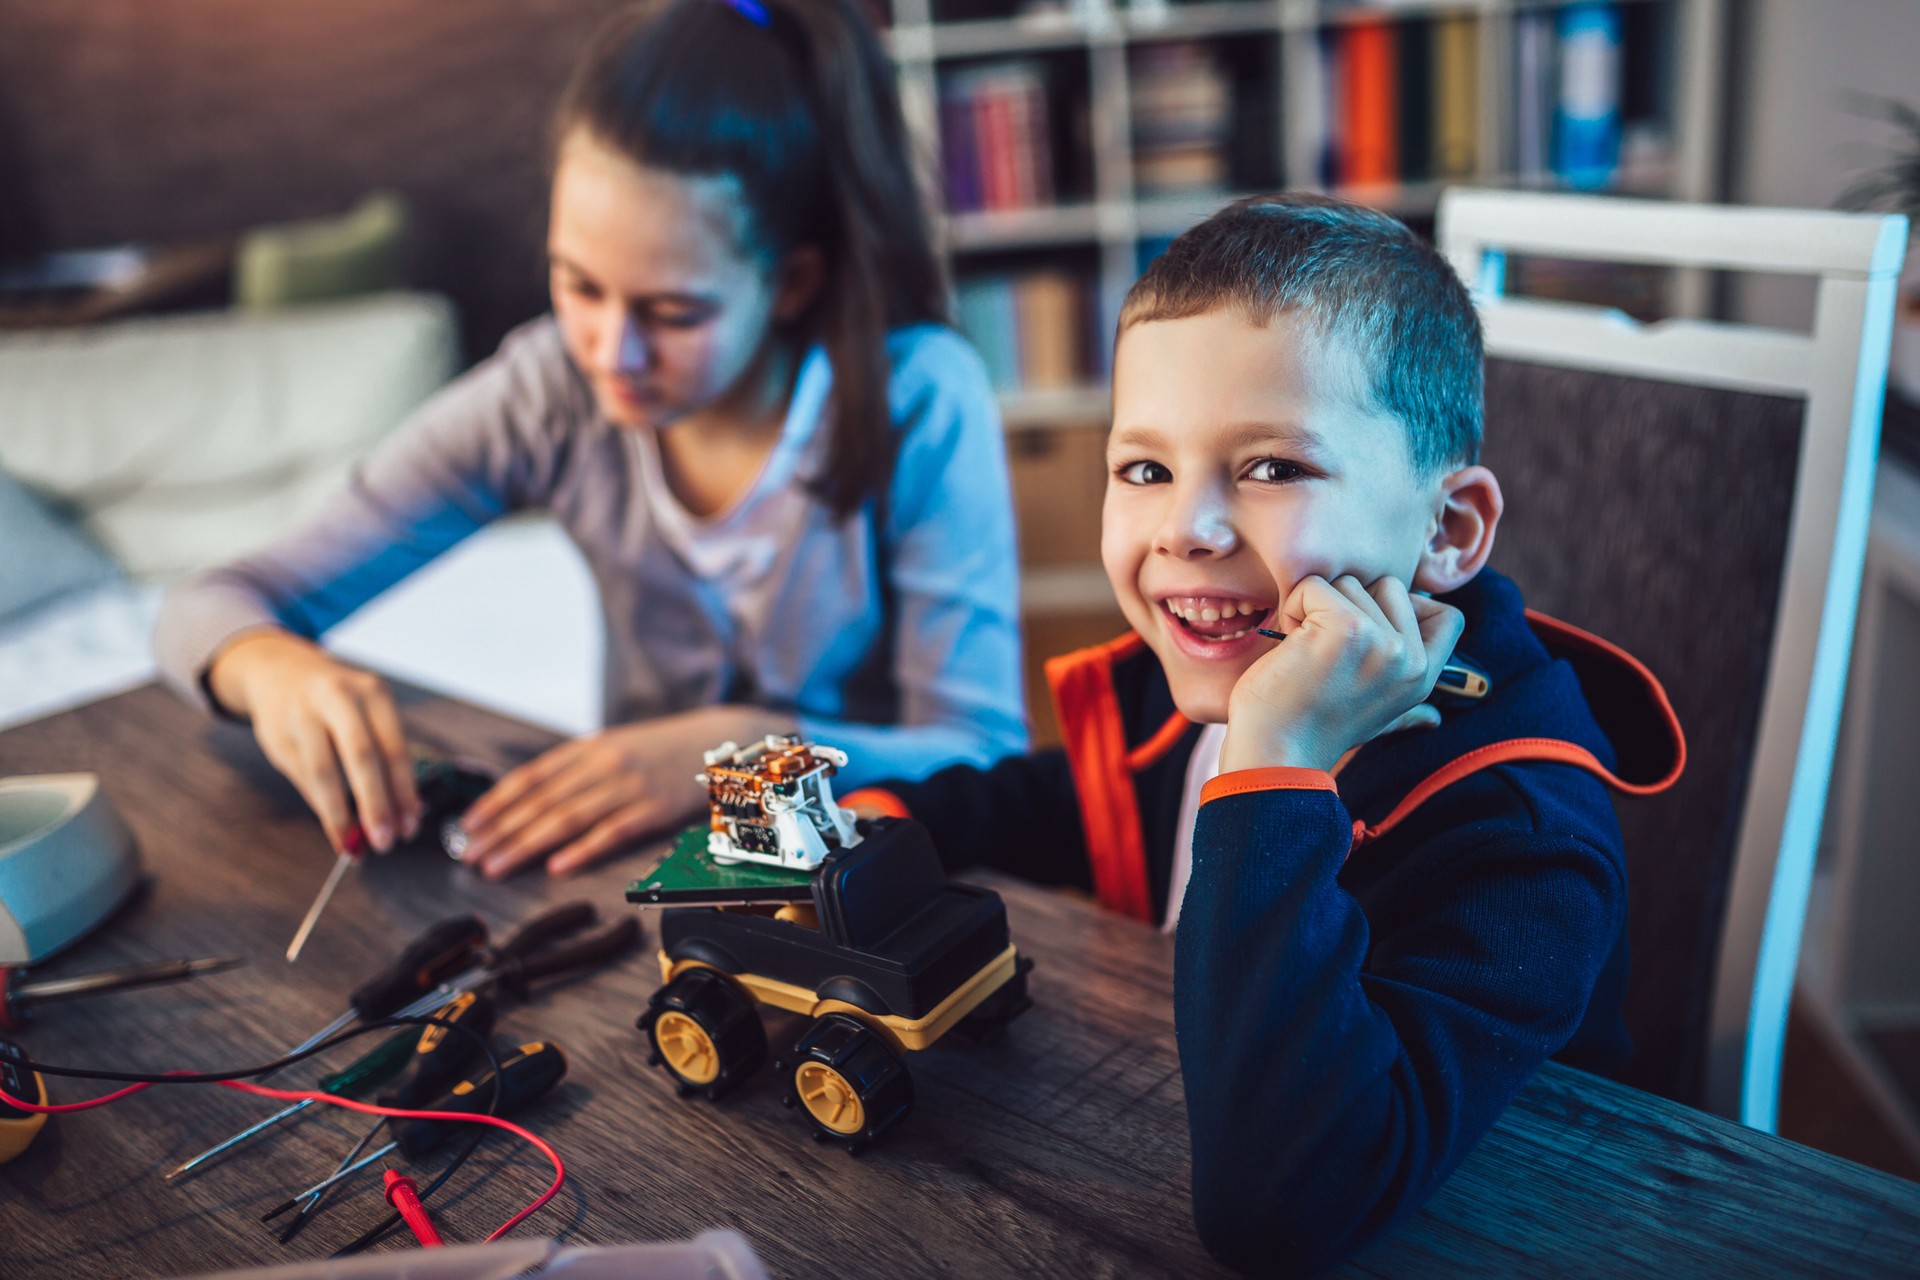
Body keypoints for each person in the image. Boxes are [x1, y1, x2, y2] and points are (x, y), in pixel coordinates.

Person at [842, 195, 1684, 1275]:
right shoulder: (1209, 667)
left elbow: (1282, 1205)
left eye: (1273, 467)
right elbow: (1072, 800)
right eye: (1144, 469)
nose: (1185, 529)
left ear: (1447, 528)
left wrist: (1276, 761)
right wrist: (886, 822)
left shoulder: (1521, 835)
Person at [153, 0, 1025, 880]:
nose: (613, 354)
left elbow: (983, 756)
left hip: (881, 881)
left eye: (674, 312)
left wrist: (740, 753)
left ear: (792, 282)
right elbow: (208, 604)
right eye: (577, 285)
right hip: (636, 886)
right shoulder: (548, 391)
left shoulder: (919, 397)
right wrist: (269, 667)